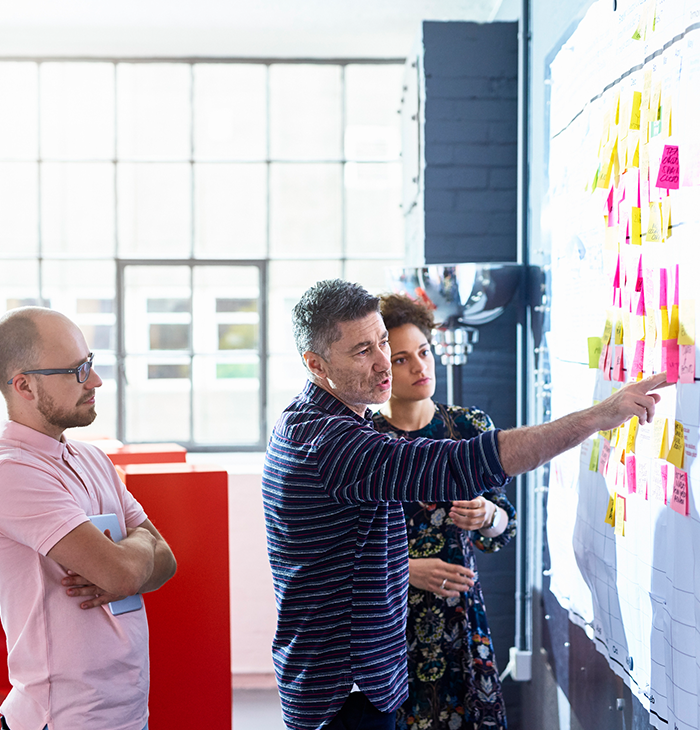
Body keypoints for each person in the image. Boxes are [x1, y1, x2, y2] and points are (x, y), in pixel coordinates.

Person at [262, 279, 665, 730]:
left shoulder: (325, 422)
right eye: (363, 352)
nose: (383, 365)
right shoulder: (329, 442)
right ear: (315, 364)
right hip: (346, 689)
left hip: (359, 677)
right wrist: (596, 417)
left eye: (382, 343)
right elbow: (467, 461)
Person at [0, 307, 177, 730]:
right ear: (24, 386)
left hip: (126, 711)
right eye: (77, 371)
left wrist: (131, 559)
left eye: (91, 364)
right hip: (62, 719)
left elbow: (167, 559)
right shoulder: (11, 472)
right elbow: (121, 575)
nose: (95, 381)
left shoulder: (93, 460)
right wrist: (134, 553)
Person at [372, 293, 513, 730]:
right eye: (401, 359)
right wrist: (408, 568)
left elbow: (504, 527)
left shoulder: (470, 427)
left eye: (424, 351)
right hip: (388, 623)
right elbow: (343, 550)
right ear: (378, 368)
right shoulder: (364, 441)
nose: (420, 367)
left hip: (460, 618)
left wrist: (487, 515)